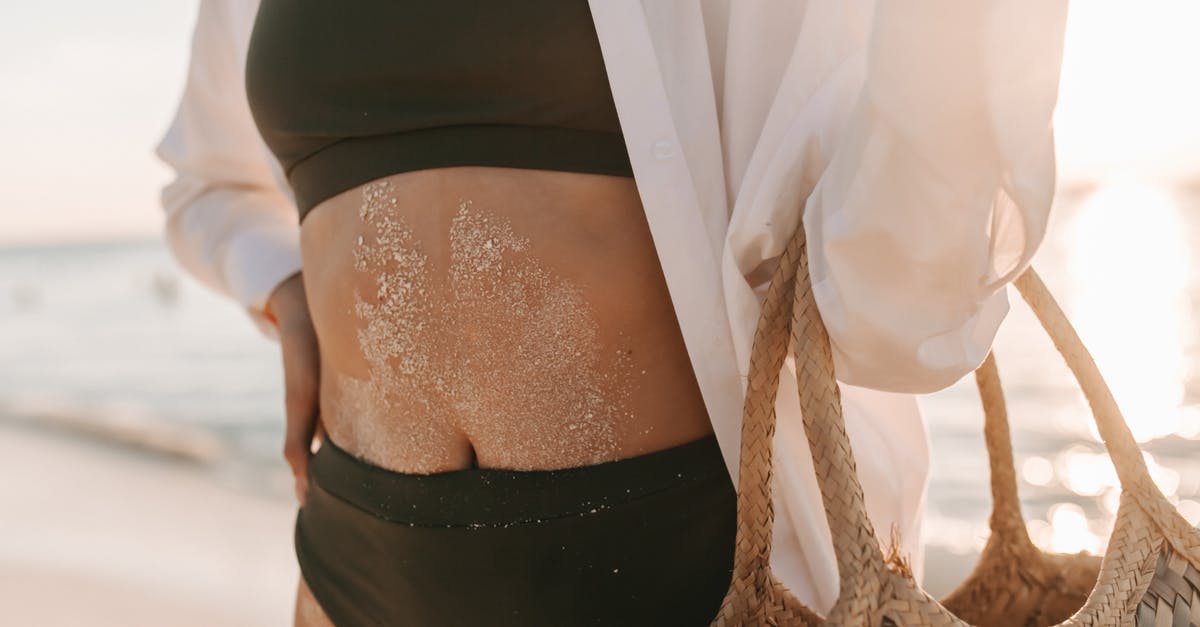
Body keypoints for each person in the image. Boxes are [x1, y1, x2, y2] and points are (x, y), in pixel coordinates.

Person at [156, 0, 1069, 624]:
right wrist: (285, 286)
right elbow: (210, 182)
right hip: (354, 571)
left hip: (689, 576)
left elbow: (896, 300)